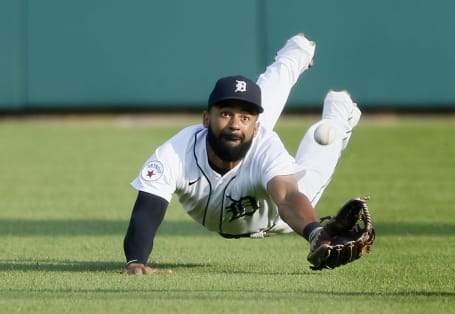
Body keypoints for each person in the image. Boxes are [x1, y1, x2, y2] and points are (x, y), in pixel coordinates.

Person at [122, 33, 361, 275]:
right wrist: (135, 261)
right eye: (225, 113)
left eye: (246, 118)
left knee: (321, 147)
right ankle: (295, 54)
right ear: (206, 118)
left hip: (276, 218)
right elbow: (147, 210)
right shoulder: (176, 152)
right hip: (238, 173)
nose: (235, 123)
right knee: (242, 120)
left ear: (256, 128)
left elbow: (288, 196)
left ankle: (339, 114)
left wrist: (315, 232)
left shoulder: (264, 146)